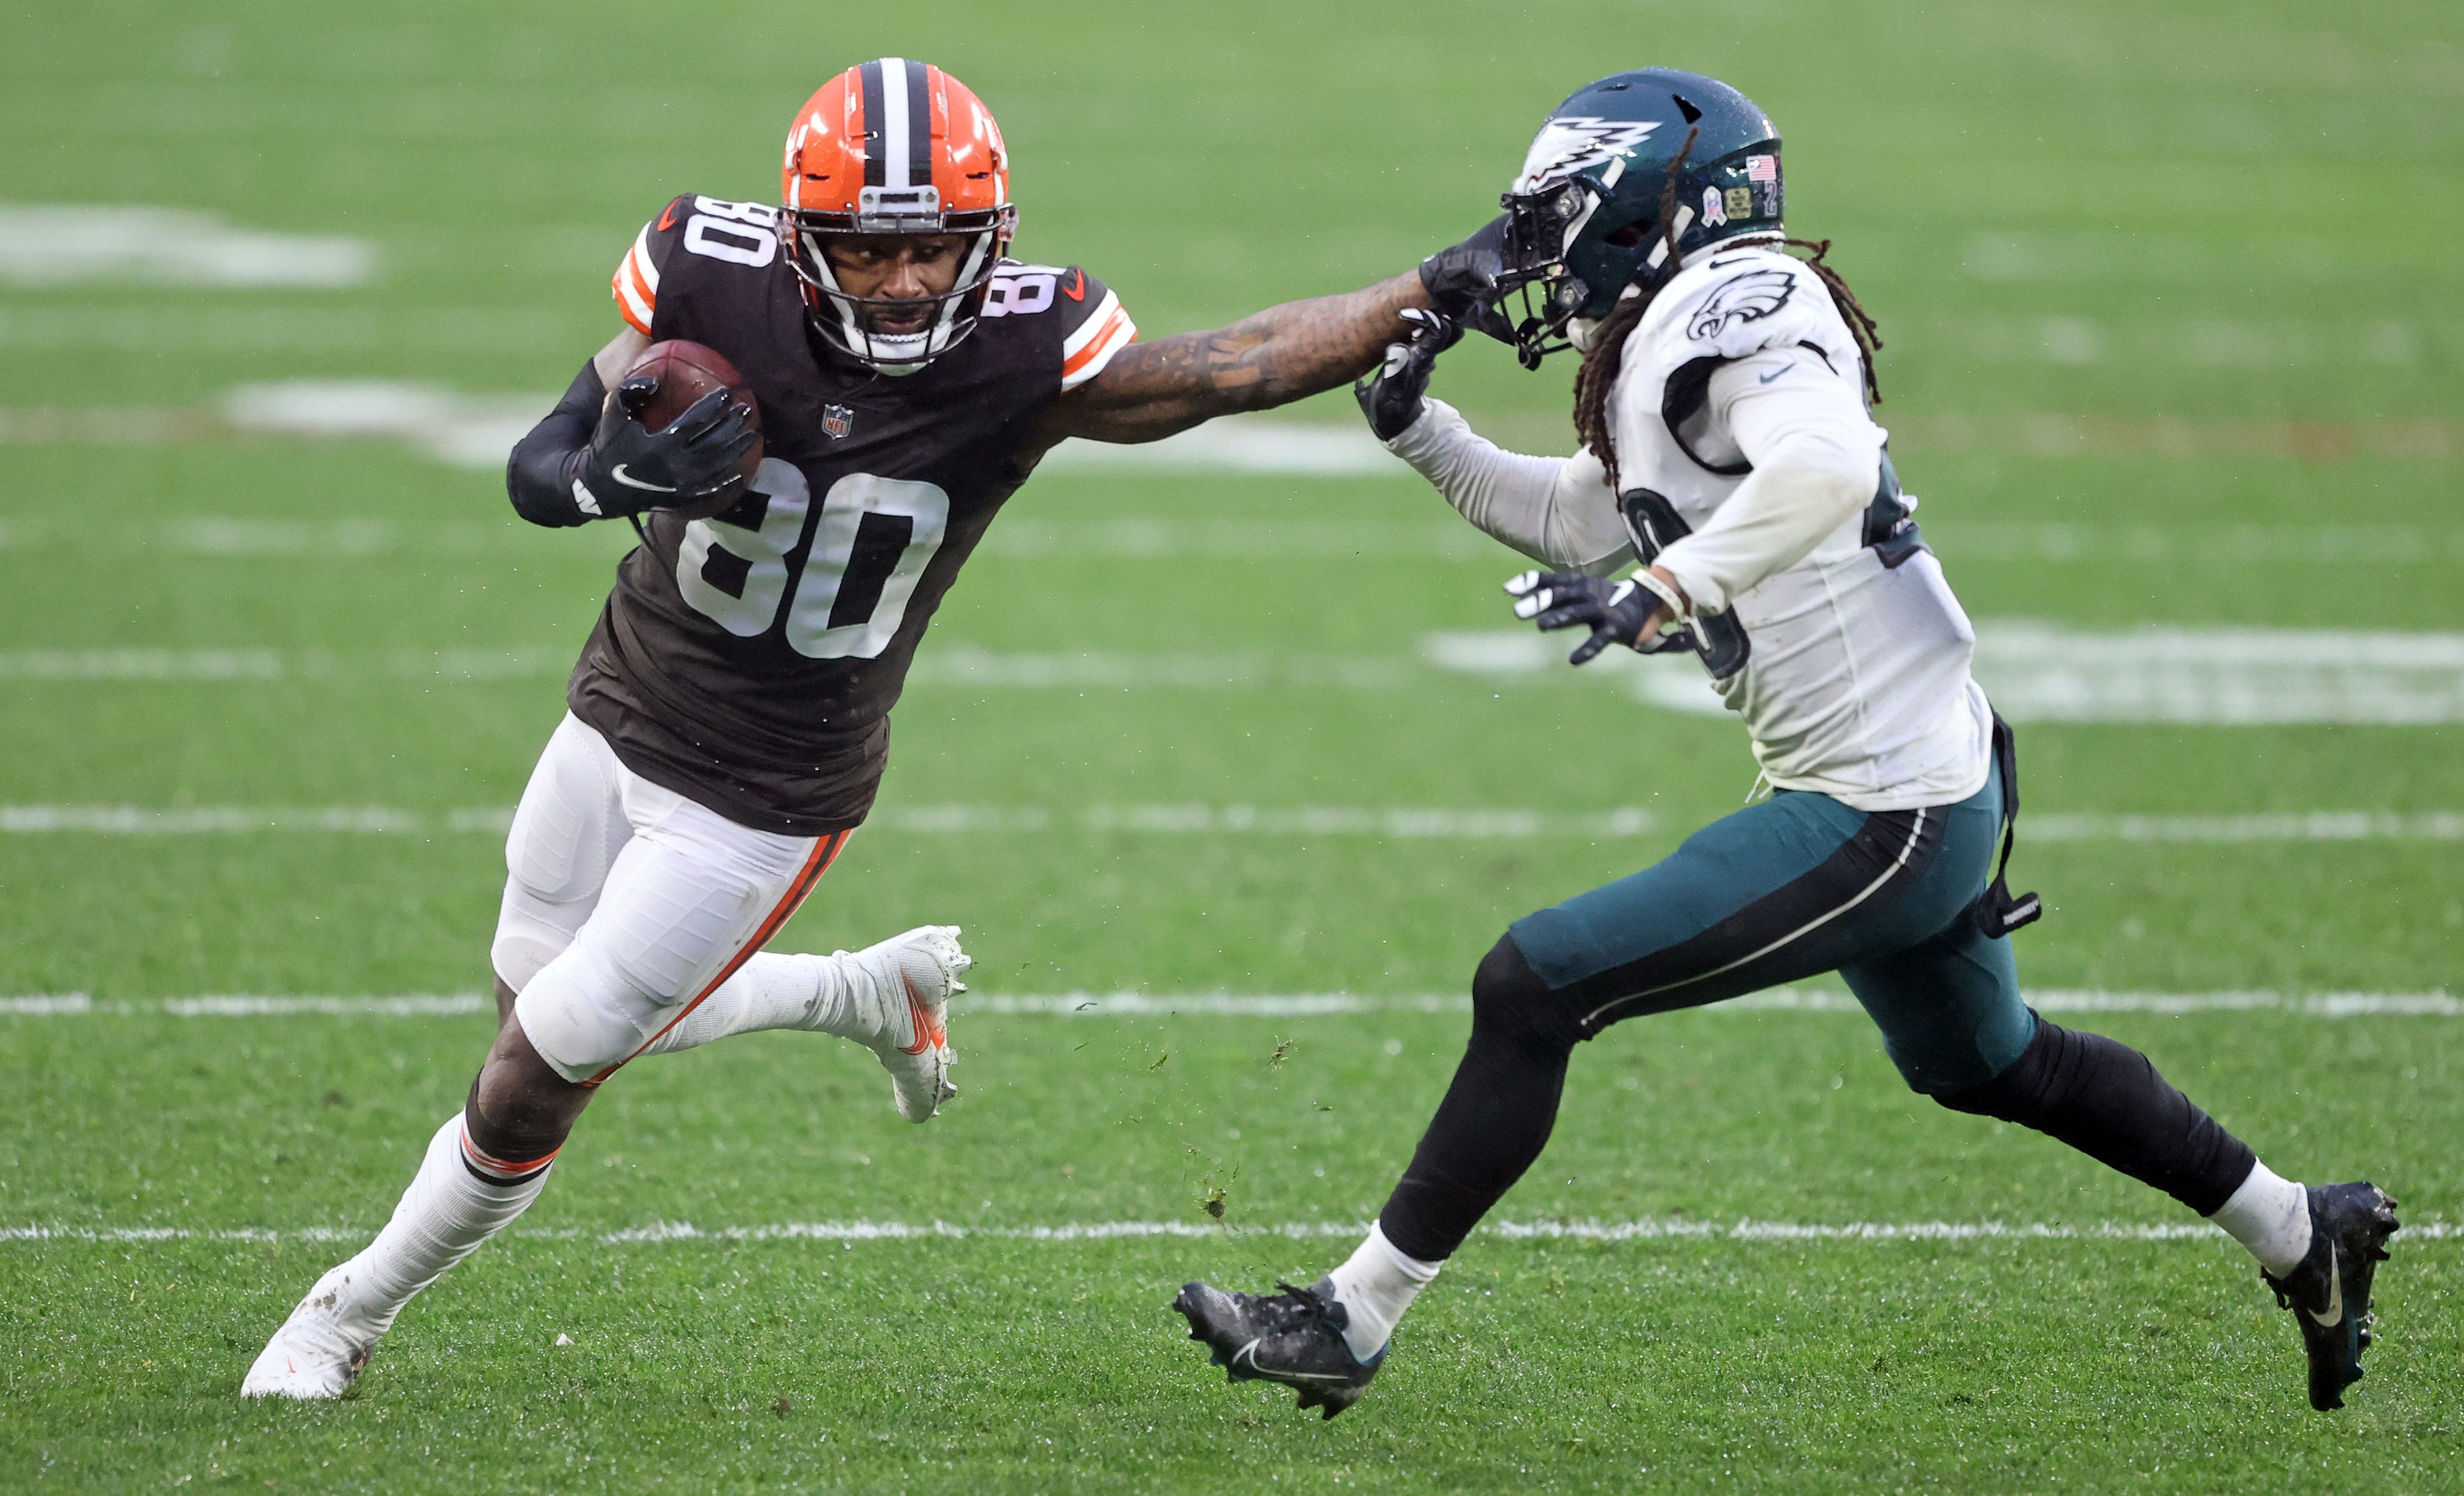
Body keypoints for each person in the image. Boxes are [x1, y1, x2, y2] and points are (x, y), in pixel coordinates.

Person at [243, 56, 1488, 1399]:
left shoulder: (1028, 350)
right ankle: (861, 992)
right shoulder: (704, 275)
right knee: (533, 1011)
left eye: (934, 246)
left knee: (535, 1079)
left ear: (989, 242)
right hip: (615, 707)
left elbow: (1230, 365)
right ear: (799, 239)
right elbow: (540, 463)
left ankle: (340, 1316)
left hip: (770, 790)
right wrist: (611, 474)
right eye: (870, 245)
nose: (902, 278)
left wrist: (1418, 292)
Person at [1172, 68, 2398, 1420]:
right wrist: (1422, 433)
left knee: (1536, 985)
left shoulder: (1738, 304)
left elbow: (1824, 469)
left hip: (1883, 808)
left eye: (1559, 217)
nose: (1534, 251)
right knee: (1995, 1064)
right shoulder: (1669, 330)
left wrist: (1669, 591)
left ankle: (1352, 1317)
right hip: (1926, 767)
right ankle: (2303, 1231)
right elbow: (1587, 521)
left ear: (1654, 210)